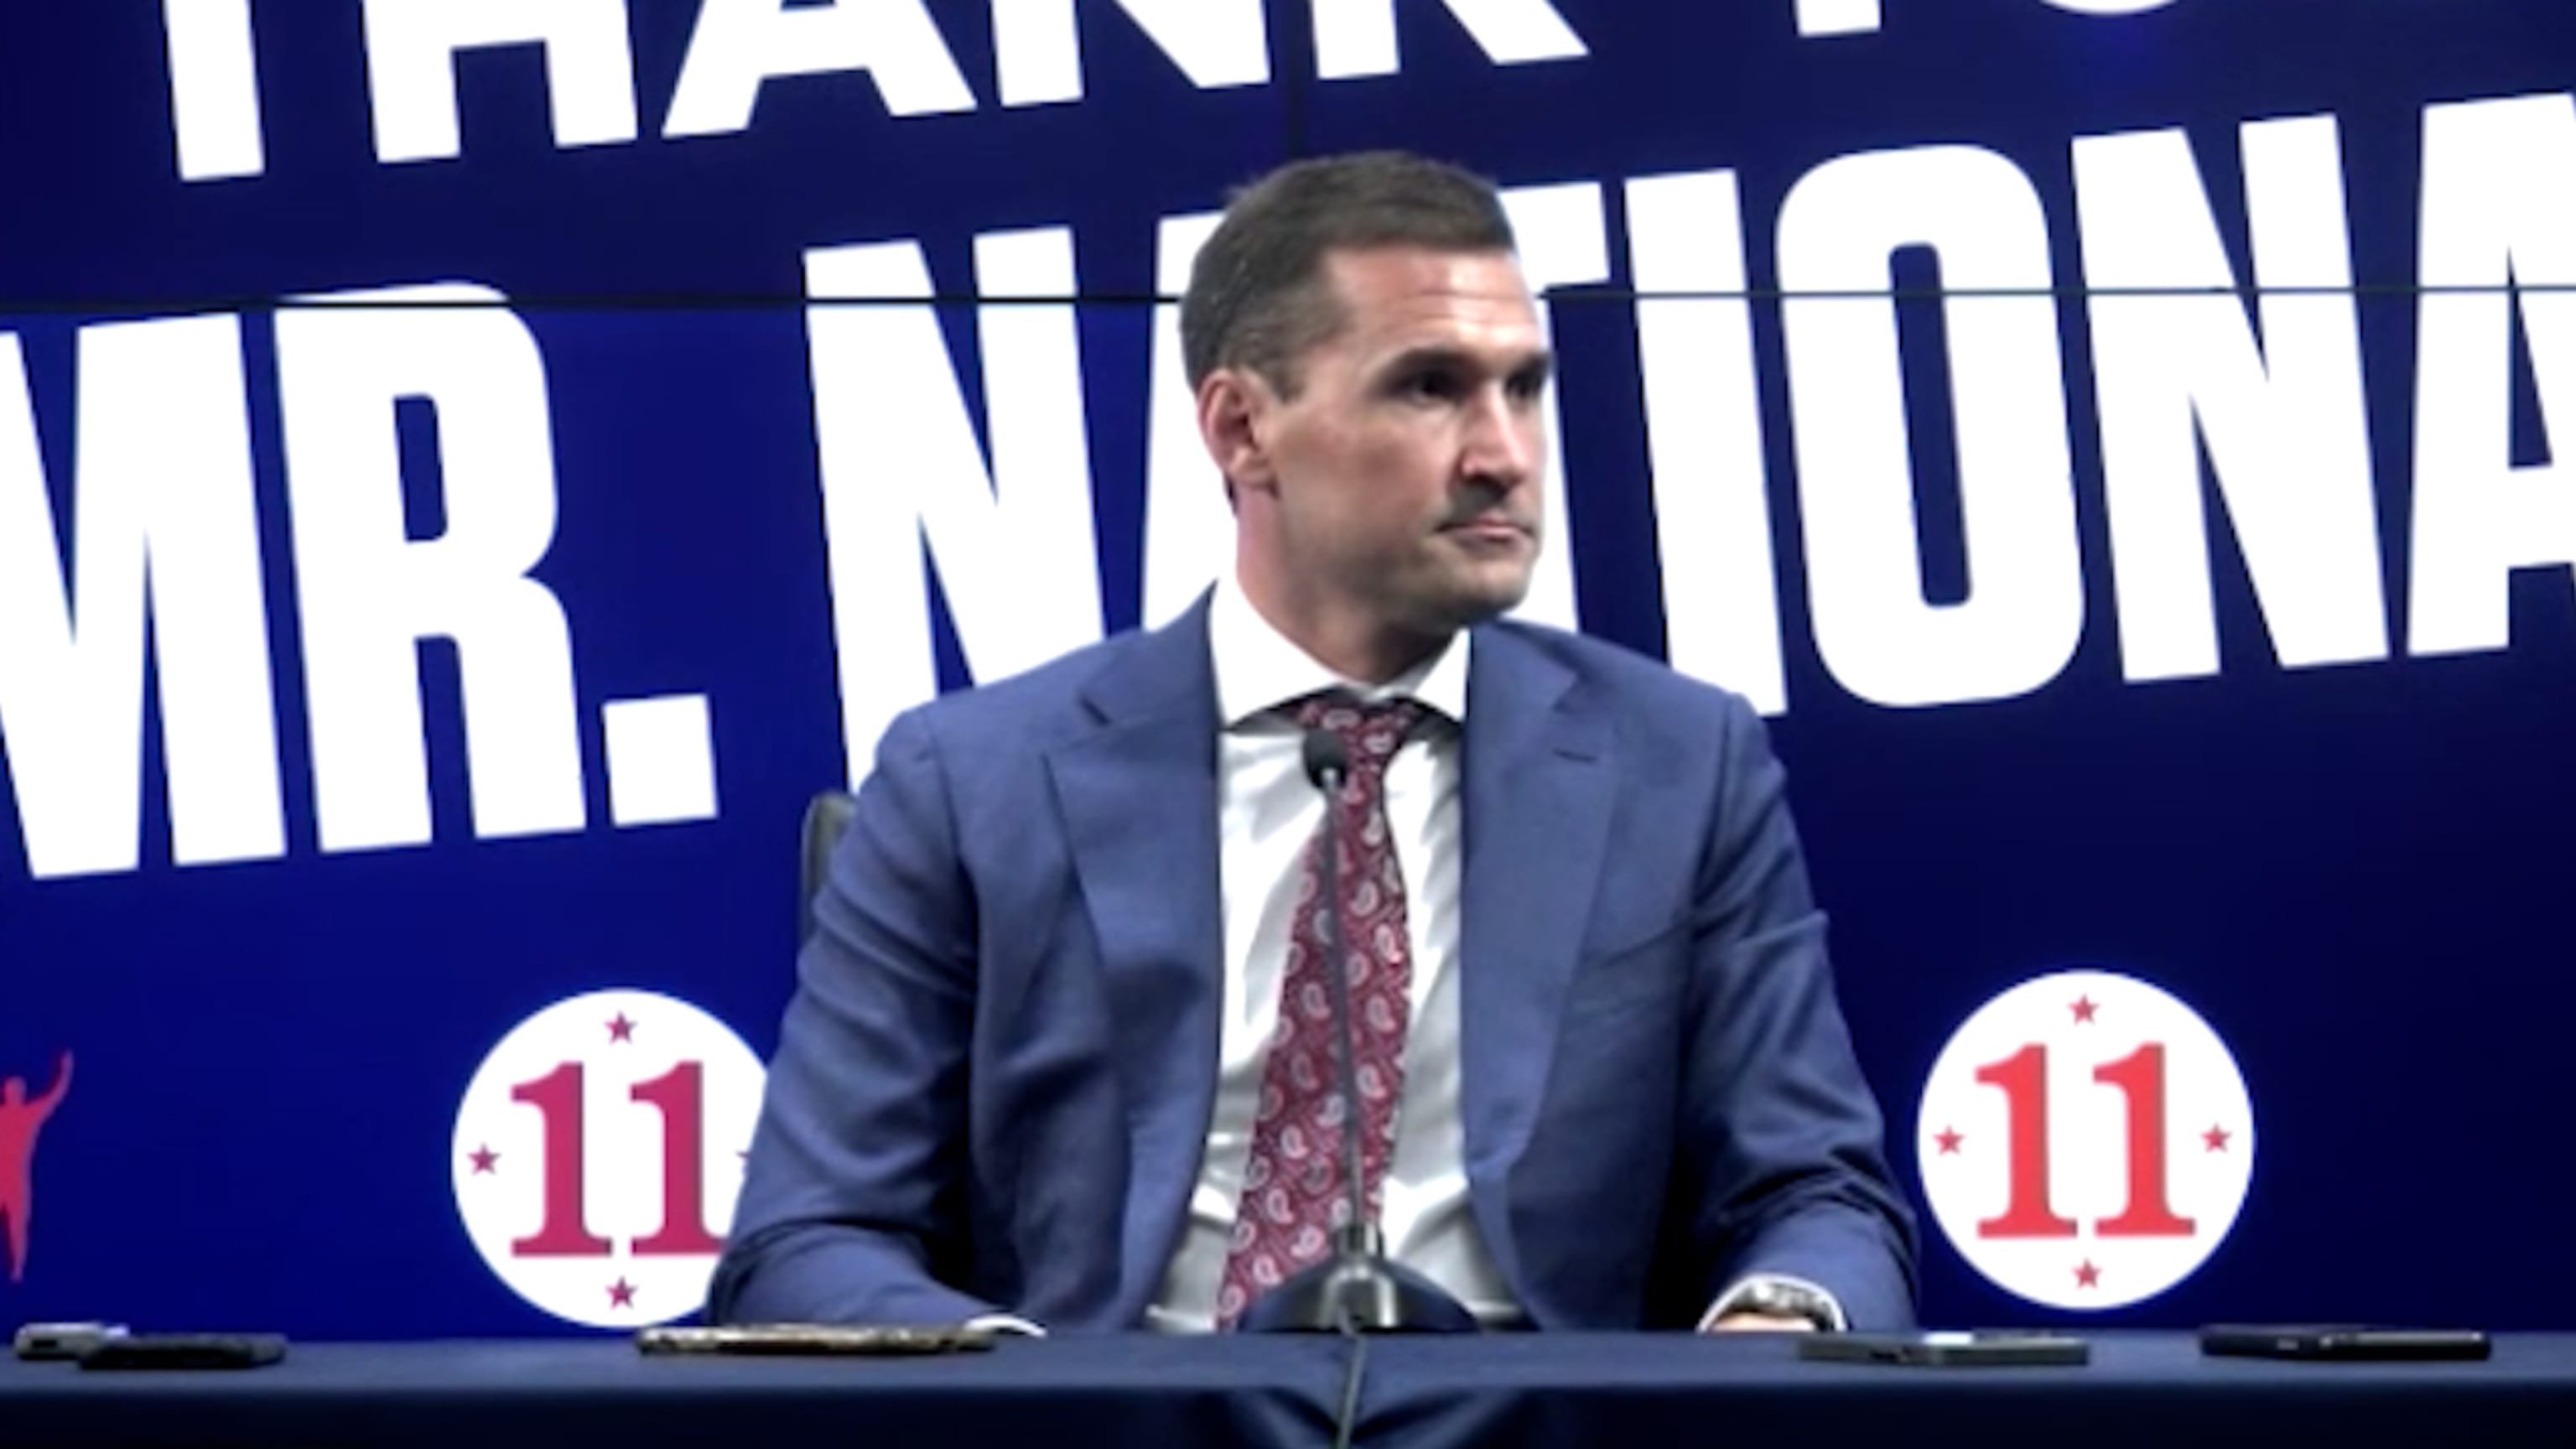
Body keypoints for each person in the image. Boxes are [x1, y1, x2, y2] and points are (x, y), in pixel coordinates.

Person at [713, 152, 1915, 1333]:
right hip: (1115, 1436)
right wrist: (1030, 1402)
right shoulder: (970, 782)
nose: (1502, 452)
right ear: (1243, 429)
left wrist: (1777, 1324)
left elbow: (1816, 1193)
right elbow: (807, 1238)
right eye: (1430, 387)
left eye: (1524, 387)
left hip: (1533, 1431)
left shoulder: (1681, 764)